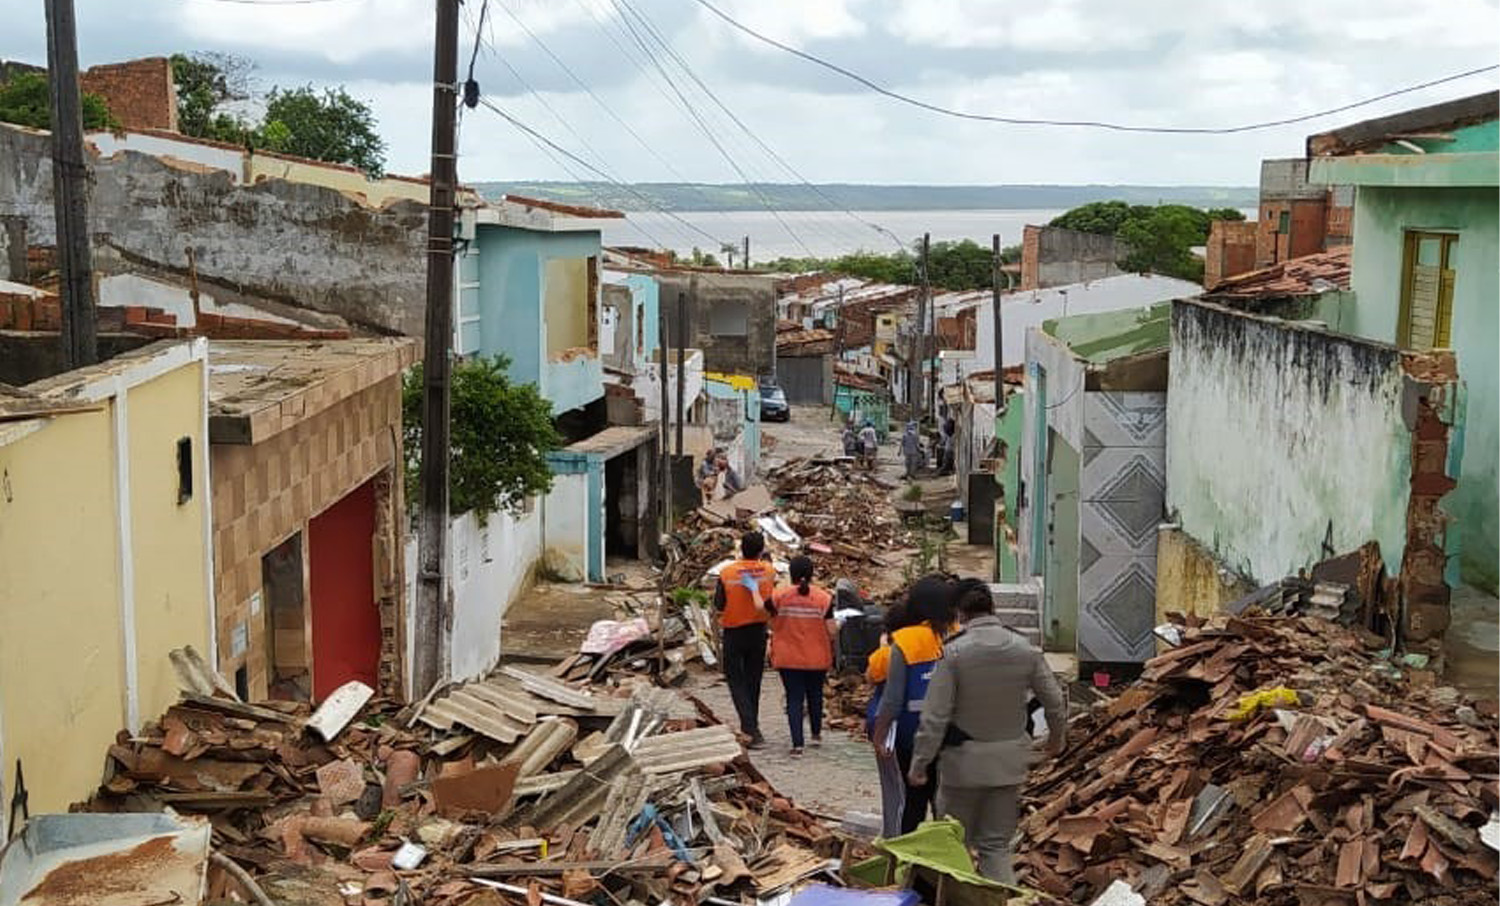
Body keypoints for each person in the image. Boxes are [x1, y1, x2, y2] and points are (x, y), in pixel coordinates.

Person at [907, 579, 1067, 883]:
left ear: (959, 614)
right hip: (1008, 764)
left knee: (953, 845)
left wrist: (920, 764)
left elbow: (934, 717)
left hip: (961, 766)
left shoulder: (954, 654)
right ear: (992, 607)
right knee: (995, 847)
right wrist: (1056, 741)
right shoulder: (1025, 650)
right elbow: (1055, 702)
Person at [871, 575, 956, 834]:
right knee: (942, 804)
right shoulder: (954, 637)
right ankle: (942, 860)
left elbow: (893, 699)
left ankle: (903, 861)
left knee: (909, 803)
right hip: (949, 734)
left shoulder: (905, 641)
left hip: (910, 735)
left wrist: (879, 734)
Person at [763, 556, 836, 757]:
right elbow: (832, 631)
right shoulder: (824, 598)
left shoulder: (779, 596)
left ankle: (797, 744)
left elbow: (769, 621)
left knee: (794, 698)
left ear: (791, 574)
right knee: (815, 695)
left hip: (788, 657)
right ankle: (816, 733)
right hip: (817, 657)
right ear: (811, 574)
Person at [713, 531, 776, 748]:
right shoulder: (769, 570)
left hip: (734, 631)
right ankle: (751, 726)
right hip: (758, 630)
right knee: (753, 680)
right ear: (761, 550)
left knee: (736, 680)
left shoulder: (727, 572)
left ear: (741, 549)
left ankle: (750, 728)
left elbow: (719, 604)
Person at [865, 601, 915, 838]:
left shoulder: (887, 654)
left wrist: (883, 647)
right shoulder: (924, 647)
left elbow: (870, 677)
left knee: (893, 790)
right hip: (912, 727)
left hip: (888, 728)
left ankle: (893, 838)